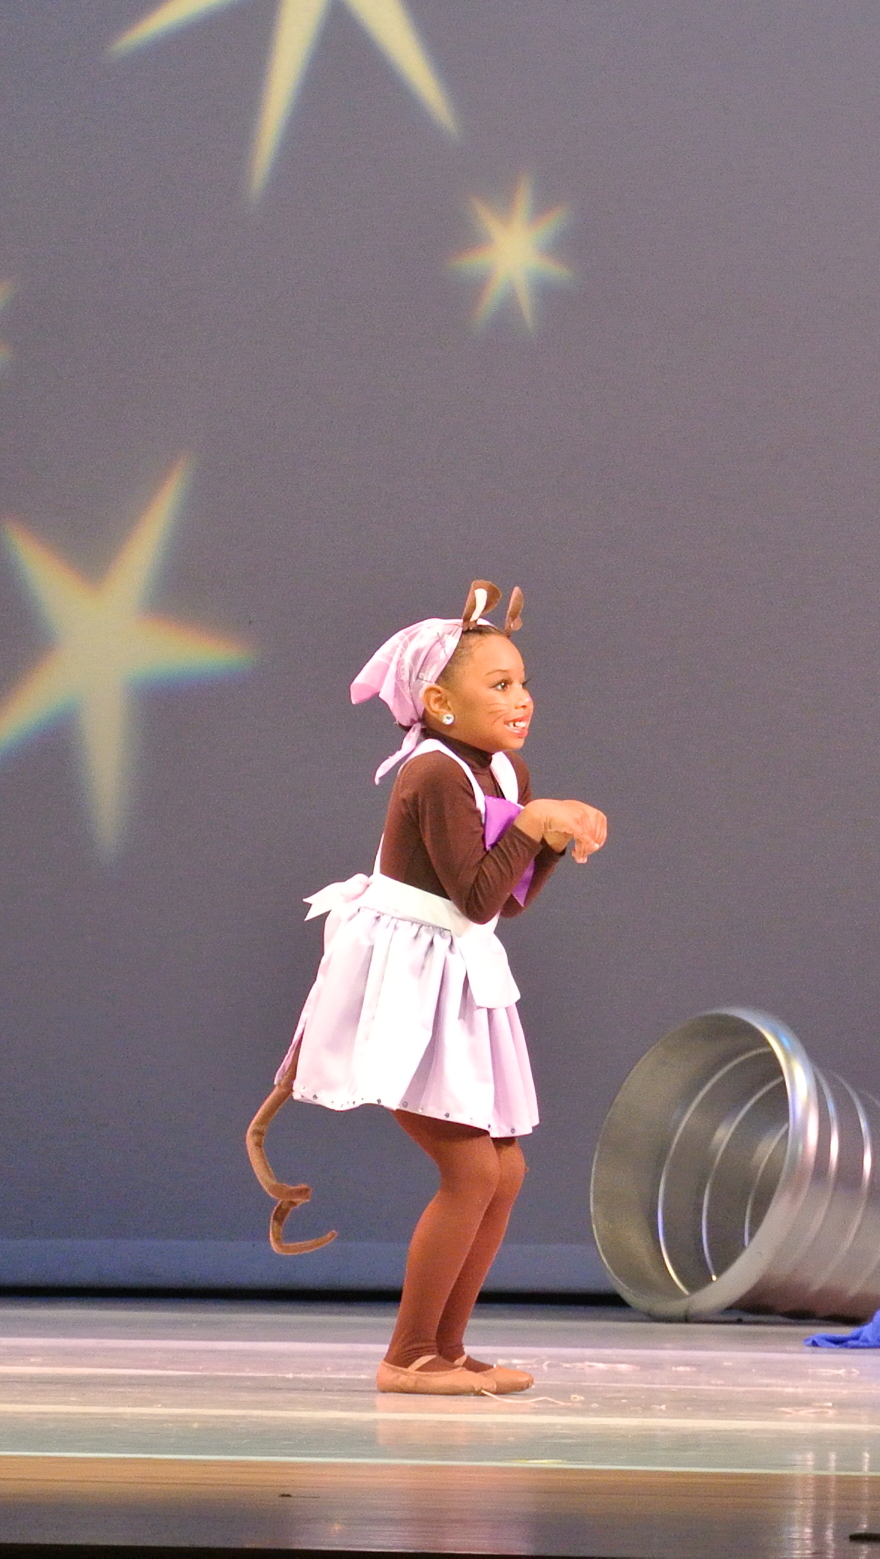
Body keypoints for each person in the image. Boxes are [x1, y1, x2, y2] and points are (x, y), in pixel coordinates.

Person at [259, 582, 609, 1395]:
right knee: (472, 1171)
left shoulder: (502, 771)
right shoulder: (433, 774)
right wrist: (537, 823)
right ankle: (409, 1354)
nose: (521, 699)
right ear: (439, 703)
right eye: (500, 684)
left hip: (456, 972)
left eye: (522, 682)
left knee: (503, 1171)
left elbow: (503, 902)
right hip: (406, 982)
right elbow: (475, 897)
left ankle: (446, 1349)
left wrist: (550, 839)